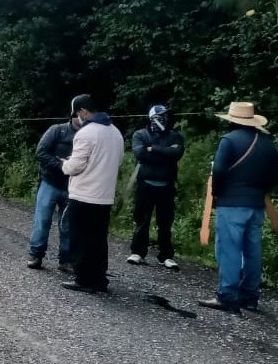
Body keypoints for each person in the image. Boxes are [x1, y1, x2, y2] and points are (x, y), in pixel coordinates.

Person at [198, 102, 278, 313]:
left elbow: (219, 171)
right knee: (252, 251)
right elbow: (274, 177)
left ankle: (227, 295)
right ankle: (250, 296)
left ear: (233, 121)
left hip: (232, 203)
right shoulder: (267, 143)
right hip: (256, 204)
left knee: (229, 250)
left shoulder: (229, 141)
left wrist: (216, 194)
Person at [60, 95, 124, 293]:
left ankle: (83, 278)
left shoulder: (86, 133)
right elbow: (119, 160)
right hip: (105, 196)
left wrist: (65, 164)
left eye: (77, 114)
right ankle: (99, 278)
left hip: (84, 194)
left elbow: (76, 166)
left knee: (80, 238)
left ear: (83, 112)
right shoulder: (115, 132)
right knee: (98, 239)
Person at [127, 105, 185, 269]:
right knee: (141, 220)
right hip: (145, 183)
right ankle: (138, 252)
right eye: (160, 116)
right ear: (152, 118)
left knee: (165, 222)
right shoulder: (140, 134)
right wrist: (164, 152)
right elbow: (140, 154)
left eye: (165, 116)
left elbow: (176, 154)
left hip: (166, 184)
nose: (164, 119)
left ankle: (166, 256)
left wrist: (153, 149)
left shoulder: (175, 136)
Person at [27, 111, 80, 272]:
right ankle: (36, 254)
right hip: (50, 181)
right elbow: (41, 152)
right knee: (42, 220)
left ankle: (66, 259)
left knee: (68, 225)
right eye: (78, 115)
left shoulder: (88, 135)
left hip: (73, 187)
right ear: (73, 115)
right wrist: (61, 166)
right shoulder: (57, 130)